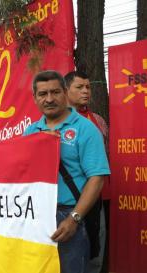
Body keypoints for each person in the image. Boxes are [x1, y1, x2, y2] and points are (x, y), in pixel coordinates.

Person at [23, 70, 110, 273]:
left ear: (64, 93)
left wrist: (74, 218)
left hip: (73, 215)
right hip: (40, 216)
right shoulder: (30, 132)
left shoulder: (86, 129)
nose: (49, 99)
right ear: (35, 98)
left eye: (55, 92)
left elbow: (97, 179)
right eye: (43, 94)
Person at [64, 71, 109, 273]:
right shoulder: (55, 122)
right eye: (79, 87)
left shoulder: (98, 121)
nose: (85, 91)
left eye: (88, 87)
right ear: (66, 90)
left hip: (96, 196)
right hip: (66, 201)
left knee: (95, 249)